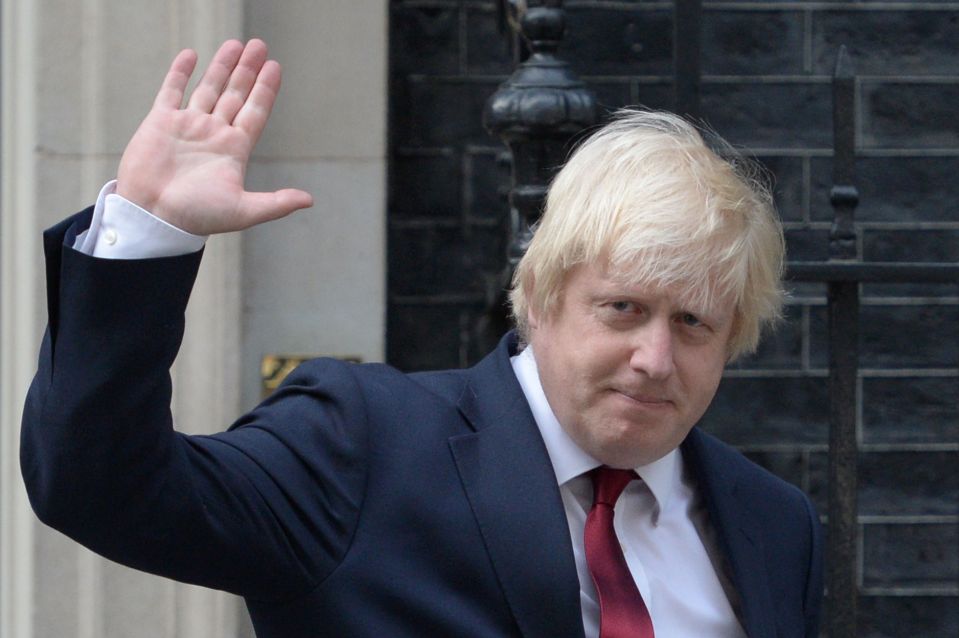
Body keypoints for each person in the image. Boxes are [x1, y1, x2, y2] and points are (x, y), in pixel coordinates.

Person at [21, 39, 822, 637]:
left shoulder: (772, 524)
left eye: (692, 324)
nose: (654, 359)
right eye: (621, 309)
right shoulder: (361, 444)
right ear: (539, 299)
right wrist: (149, 231)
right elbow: (99, 487)